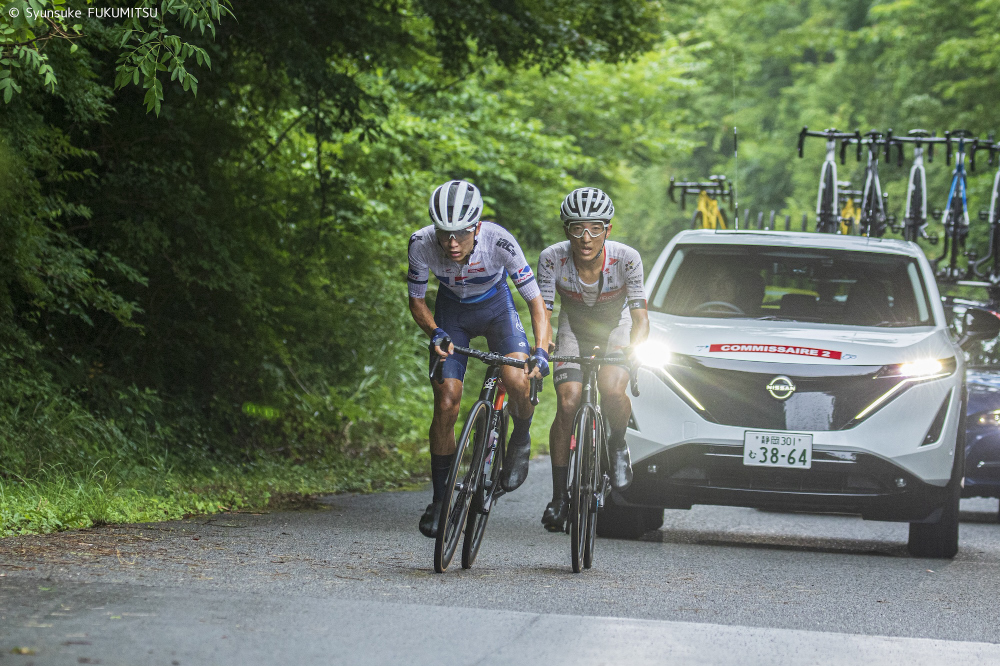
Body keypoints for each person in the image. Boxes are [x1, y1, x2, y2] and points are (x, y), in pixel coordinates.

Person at [408, 180, 550, 538]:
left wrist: (541, 350)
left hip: (496, 310)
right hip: (452, 313)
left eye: (460, 233)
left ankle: (520, 435)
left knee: (517, 379)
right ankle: (441, 501)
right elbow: (417, 301)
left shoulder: (499, 242)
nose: (452, 243)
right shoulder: (421, 243)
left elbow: (535, 302)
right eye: (445, 234)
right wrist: (435, 332)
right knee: (446, 403)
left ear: (477, 227)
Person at [536, 187, 649, 532]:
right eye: (576, 228)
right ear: (565, 230)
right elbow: (543, 312)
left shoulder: (627, 258)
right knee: (568, 403)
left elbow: (641, 317)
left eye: (595, 228)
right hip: (575, 325)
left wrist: (634, 347)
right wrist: (545, 343)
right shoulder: (551, 258)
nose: (586, 238)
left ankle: (616, 445)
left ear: (607, 230)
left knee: (611, 388)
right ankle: (558, 498)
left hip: (617, 326)